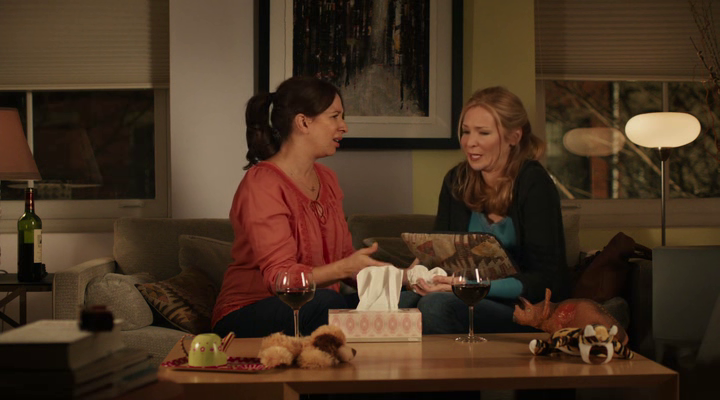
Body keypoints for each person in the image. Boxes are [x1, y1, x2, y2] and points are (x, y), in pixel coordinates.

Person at [212, 76, 385, 338]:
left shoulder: (327, 178)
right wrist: (345, 268)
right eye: (334, 117)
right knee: (328, 303)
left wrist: (406, 279)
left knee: (397, 303)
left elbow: (345, 257)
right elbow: (280, 279)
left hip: (316, 305)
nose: (344, 126)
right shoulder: (263, 183)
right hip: (248, 312)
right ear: (303, 122)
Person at [399, 86, 570, 334]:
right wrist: (420, 274)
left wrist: (468, 286)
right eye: (466, 131)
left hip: (523, 306)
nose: (470, 142)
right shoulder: (456, 180)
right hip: (462, 293)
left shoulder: (534, 183)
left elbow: (545, 279)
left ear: (514, 137)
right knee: (401, 302)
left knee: (436, 306)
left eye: (484, 133)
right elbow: (441, 251)